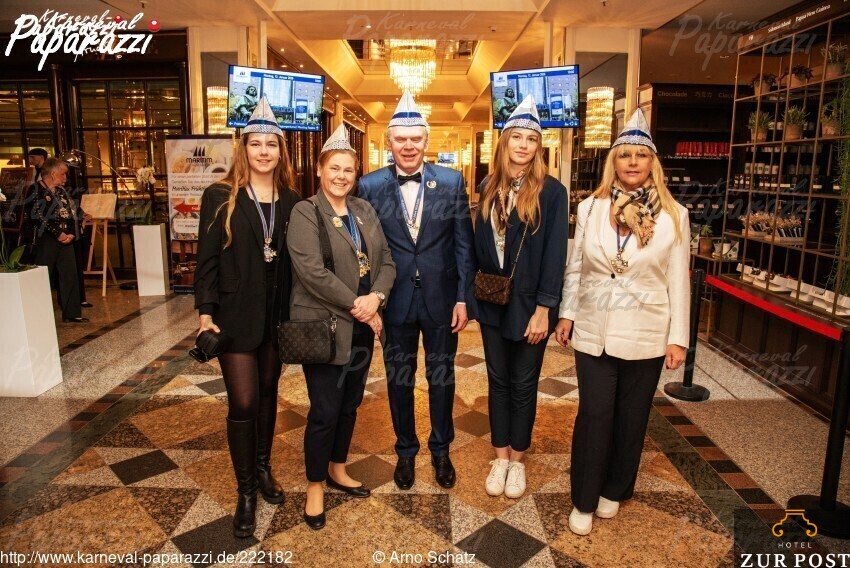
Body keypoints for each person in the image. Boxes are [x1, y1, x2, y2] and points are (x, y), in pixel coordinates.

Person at [555, 108, 690, 536]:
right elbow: (576, 267)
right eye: (625, 154)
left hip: (647, 331)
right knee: (595, 415)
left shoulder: (674, 215)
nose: (632, 162)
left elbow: (678, 280)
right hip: (593, 327)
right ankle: (584, 498)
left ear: (653, 163)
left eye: (641, 155)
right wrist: (567, 313)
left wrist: (678, 338)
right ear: (613, 161)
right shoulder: (591, 208)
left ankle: (615, 488)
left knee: (632, 417)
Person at [194, 97, 301, 538]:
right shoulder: (220, 195)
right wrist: (205, 313)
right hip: (235, 315)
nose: (263, 151)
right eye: (255, 144)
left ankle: (262, 467)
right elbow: (206, 259)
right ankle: (244, 492)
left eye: (270, 145)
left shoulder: (292, 200)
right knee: (243, 401)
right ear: (244, 149)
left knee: (269, 393)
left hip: (276, 316)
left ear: (280, 151)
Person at [358, 91, 476, 491]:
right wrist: (372, 301)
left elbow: (463, 245)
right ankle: (405, 451)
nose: (408, 146)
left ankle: (441, 450)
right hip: (394, 300)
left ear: (427, 141)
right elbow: (365, 250)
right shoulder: (369, 185)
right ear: (389, 142)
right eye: (400, 139)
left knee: (442, 378)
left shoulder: (451, 181)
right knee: (399, 379)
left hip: (442, 300)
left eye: (415, 139)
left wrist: (462, 298)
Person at [287, 124, 396, 530]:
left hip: (361, 326)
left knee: (350, 403)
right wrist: (360, 306)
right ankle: (315, 485)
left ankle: (337, 467)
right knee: (325, 409)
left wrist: (377, 298)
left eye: (348, 170)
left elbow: (387, 262)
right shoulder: (306, 212)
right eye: (334, 168)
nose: (341, 176)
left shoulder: (364, 210)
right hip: (325, 327)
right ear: (319, 169)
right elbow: (311, 272)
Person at [473, 96, 568, 500]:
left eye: (531, 139)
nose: (524, 145)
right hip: (493, 302)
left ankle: (518, 461)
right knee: (497, 381)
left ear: (538, 146)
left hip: (530, 307)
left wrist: (545, 309)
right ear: (505, 141)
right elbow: (480, 247)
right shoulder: (487, 187)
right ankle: (500, 458)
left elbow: (555, 255)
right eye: (517, 137)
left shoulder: (552, 192)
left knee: (524, 383)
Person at [29, 158, 90, 323]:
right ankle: (40, 316)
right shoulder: (35, 190)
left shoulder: (61, 191)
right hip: (46, 240)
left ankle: (72, 312)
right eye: (63, 174)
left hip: (66, 240)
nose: (65, 178)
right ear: (53, 173)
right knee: (44, 277)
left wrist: (70, 233)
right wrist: (58, 234)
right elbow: (37, 217)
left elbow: (71, 212)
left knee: (69, 274)